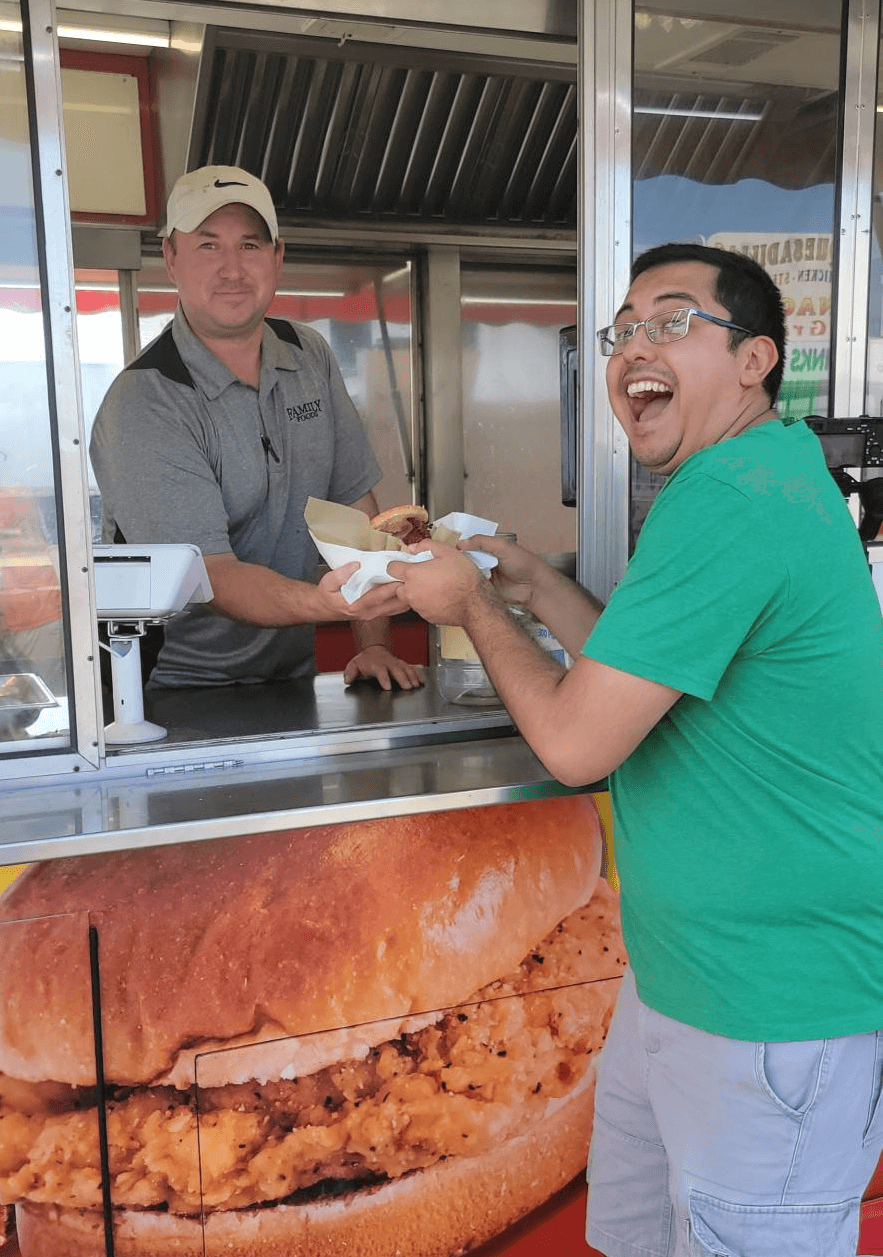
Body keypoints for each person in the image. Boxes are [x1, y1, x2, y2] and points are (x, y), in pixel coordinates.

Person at [388, 242, 883, 1257]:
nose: (631, 350)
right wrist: (529, 583)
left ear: (754, 361)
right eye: (620, 331)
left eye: (669, 321)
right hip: (676, 984)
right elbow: (641, 664)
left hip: (769, 1009)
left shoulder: (729, 500)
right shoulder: (760, 469)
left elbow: (575, 741)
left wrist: (470, 605)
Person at [90, 165, 420, 691]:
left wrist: (374, 642)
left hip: (290, 681)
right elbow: (212, 577)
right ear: (170, 258)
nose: (232, 269)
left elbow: (356, 508)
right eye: (207, 246)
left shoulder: (308, 354)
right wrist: (320, 602)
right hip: (166, 692)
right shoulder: (146, 400)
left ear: (278, 256)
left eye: (249, 245)